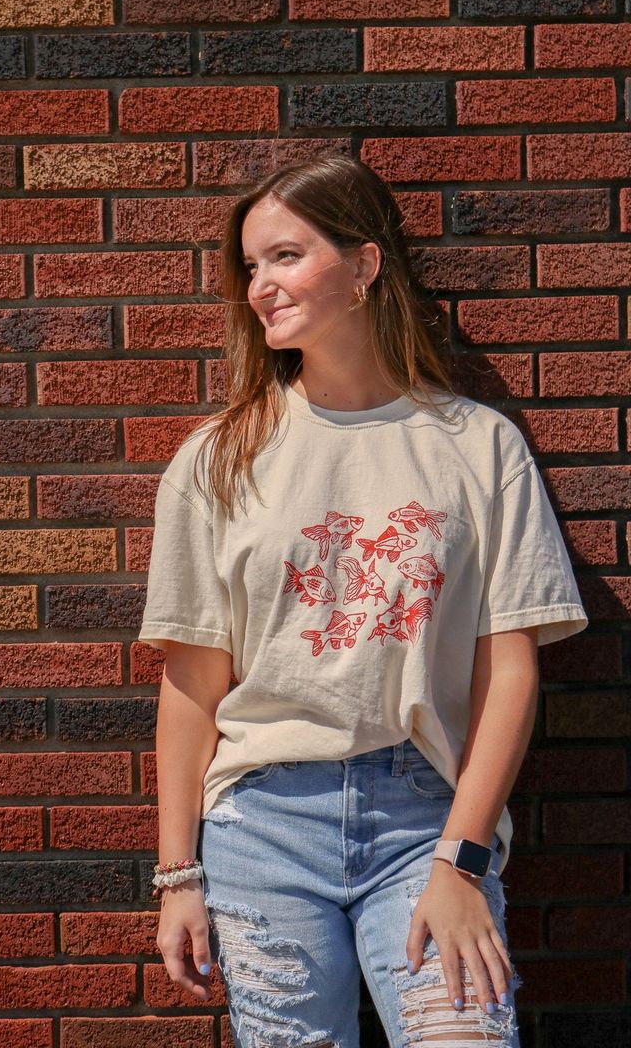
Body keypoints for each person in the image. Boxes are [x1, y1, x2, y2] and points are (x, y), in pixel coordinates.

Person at [137, 155, 588, 1047]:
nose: (262, 287)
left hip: (424, 814)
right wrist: (177, 874)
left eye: (287, 257)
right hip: (262, 826)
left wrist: (461, 858)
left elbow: (510, 671)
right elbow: (192, 685)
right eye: (252, 267)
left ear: (365, 266)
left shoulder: (476, 445)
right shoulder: (217, 459)